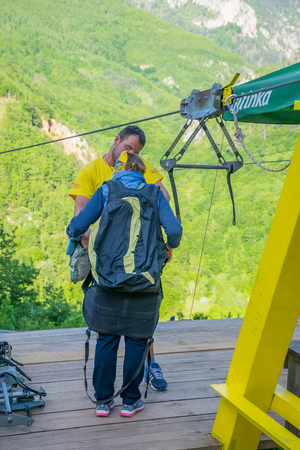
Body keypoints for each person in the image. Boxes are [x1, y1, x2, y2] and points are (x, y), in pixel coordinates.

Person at [66, 153, 182, 417]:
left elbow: (77, 225)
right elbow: (174, 231)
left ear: (117, 170)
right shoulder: (154, 192)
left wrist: (77, 236)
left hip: (107, 280)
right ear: (142, 172)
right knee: (137, 340)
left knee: (106, 338)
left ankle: (103, 401)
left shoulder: (107, 189)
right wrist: (167, 248)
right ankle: (131, 401)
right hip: (146, 281)